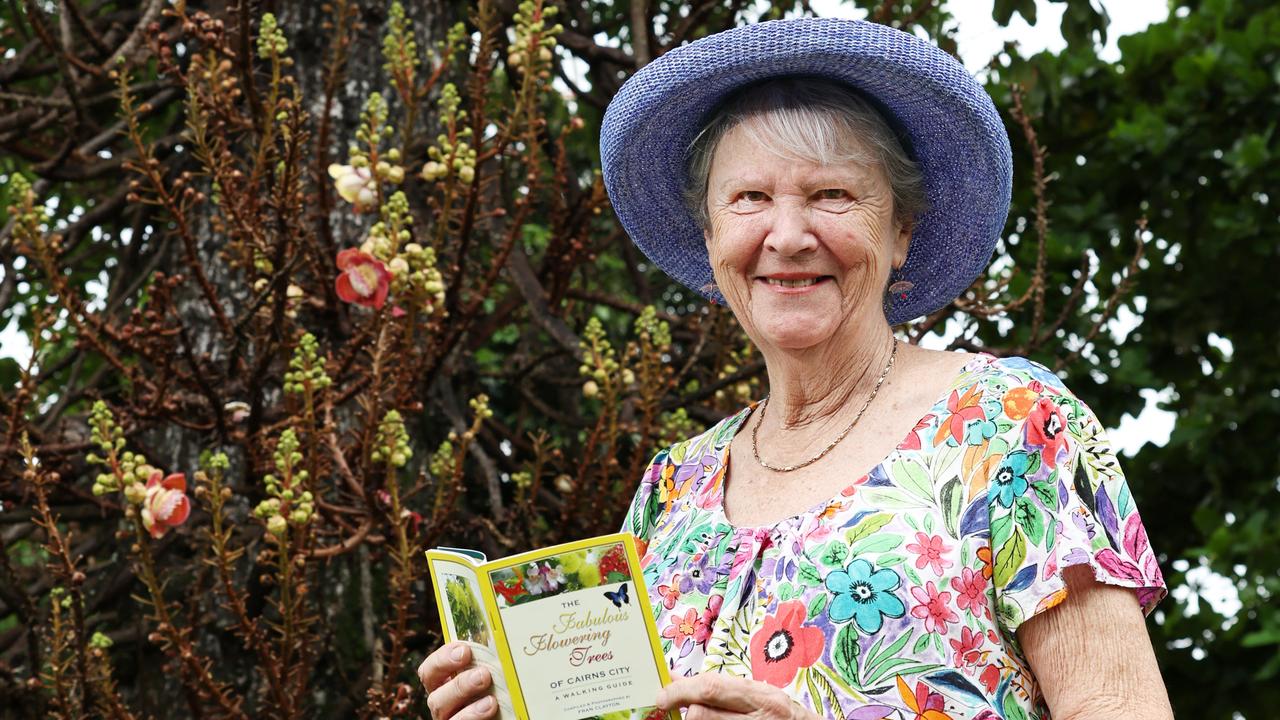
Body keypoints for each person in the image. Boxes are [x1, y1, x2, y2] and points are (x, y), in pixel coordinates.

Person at [420, 17, 1173, 720]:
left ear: (901, 230)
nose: (787, 235)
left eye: (831, 196)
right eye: (749, 198)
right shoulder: (671, 489)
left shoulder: (1006, 423)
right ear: (712, 236)